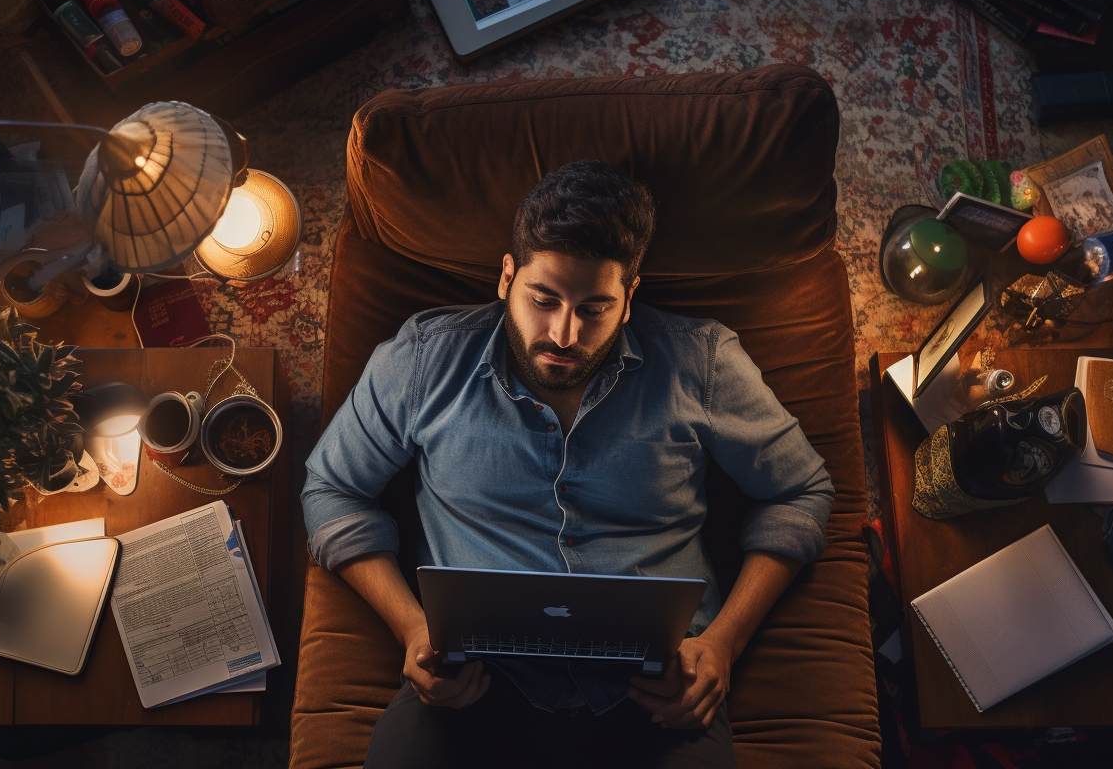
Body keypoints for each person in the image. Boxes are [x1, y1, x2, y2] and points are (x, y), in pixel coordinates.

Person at [300, 159, 835, 769]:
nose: (563, 334)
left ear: (630, 298)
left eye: (594, 308)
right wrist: (410, 627)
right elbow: (330, 490)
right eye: (543, 299)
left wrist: (723, 644)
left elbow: (802, 491)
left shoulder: (702, 363)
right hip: (475, 687)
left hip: (653, 693)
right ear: (507, 276)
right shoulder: (424, 360)